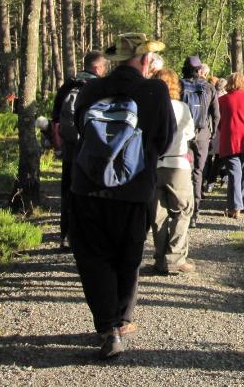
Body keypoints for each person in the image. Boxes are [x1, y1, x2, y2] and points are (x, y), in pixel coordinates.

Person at [69, 33, 175, 360]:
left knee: (94, 258)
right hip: (134, 189)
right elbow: (167, 138)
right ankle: (121, 319)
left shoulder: (90, 89)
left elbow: (79, 129)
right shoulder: (155, 90)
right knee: (127, 258)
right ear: (145, 60)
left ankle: (106, 328)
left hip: (88, 187)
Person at [52, 51, 107, 250]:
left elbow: (55, 119)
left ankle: (65, 235)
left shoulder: (68, 86)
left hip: (70, 148)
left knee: (68, 190)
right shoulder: (100, 88)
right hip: (91, 148)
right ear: (97, 68)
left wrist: (59, 144)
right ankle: (89, 235)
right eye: (104, 67)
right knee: (91, 191)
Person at [150, 69, 196, 274]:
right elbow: (189, 134)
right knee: (182, 210)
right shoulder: (182, 108)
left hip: (154, 164)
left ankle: (160, 258)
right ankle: (176, 257)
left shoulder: (148, 109)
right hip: (178, 165)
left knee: (158, 215)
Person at [181, 56, 219, 228]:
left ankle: (183, 209)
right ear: (199, 70)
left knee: (184, 172)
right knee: (198, 172)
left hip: (184, 135)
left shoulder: (179, 85)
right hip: (202, 135)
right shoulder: (209, 87)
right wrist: (211, 133)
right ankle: (194, 214)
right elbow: (216, 115)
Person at [218, 72, 244, 218]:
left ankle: (235, 206)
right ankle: (240, 202)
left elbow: (219, 122)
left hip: (231, 139)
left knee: (234, 173)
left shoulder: (222, 100)